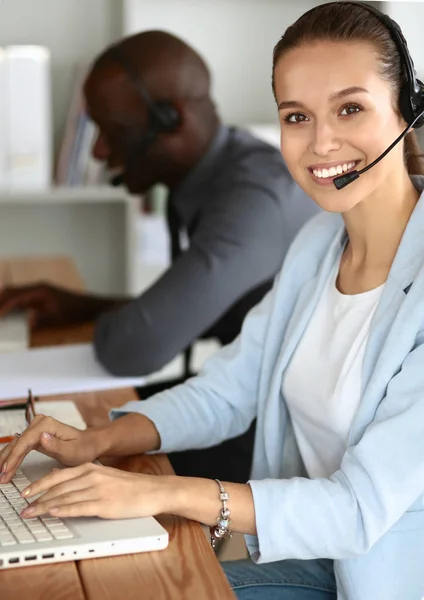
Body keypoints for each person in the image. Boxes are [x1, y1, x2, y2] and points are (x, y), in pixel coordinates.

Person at [2, 1, 424, 597]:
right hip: (317, 559)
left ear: (409, 108)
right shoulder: (318, 243)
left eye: (350, 109)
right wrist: (103, 438)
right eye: (296, 116)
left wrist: (164, 491)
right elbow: (233, 385)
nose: (322, 143)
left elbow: (357, 511)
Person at [0, 31, 318, 484]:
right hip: (245, 394)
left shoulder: (254, 200)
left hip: (283, 428)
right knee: (62, 434)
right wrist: (86, 305)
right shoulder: (226, 169)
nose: (99, 152)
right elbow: (197, 312)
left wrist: (123, 320)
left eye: (113, 133)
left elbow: (135, 347)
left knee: (66, 458)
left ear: (173, 119)